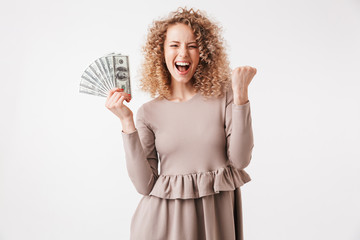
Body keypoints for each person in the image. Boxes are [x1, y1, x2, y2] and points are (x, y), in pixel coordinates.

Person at [105, 7, 257, 240]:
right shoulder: (148, 113)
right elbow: (144, 185)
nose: (183, 53)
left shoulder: (225, 97)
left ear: (204, 53)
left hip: (215, 221)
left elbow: (240, 159)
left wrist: (240, 96)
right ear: (161, 52)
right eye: (174, 45)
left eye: (193, 45)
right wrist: (127, 121)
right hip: (163, 227)